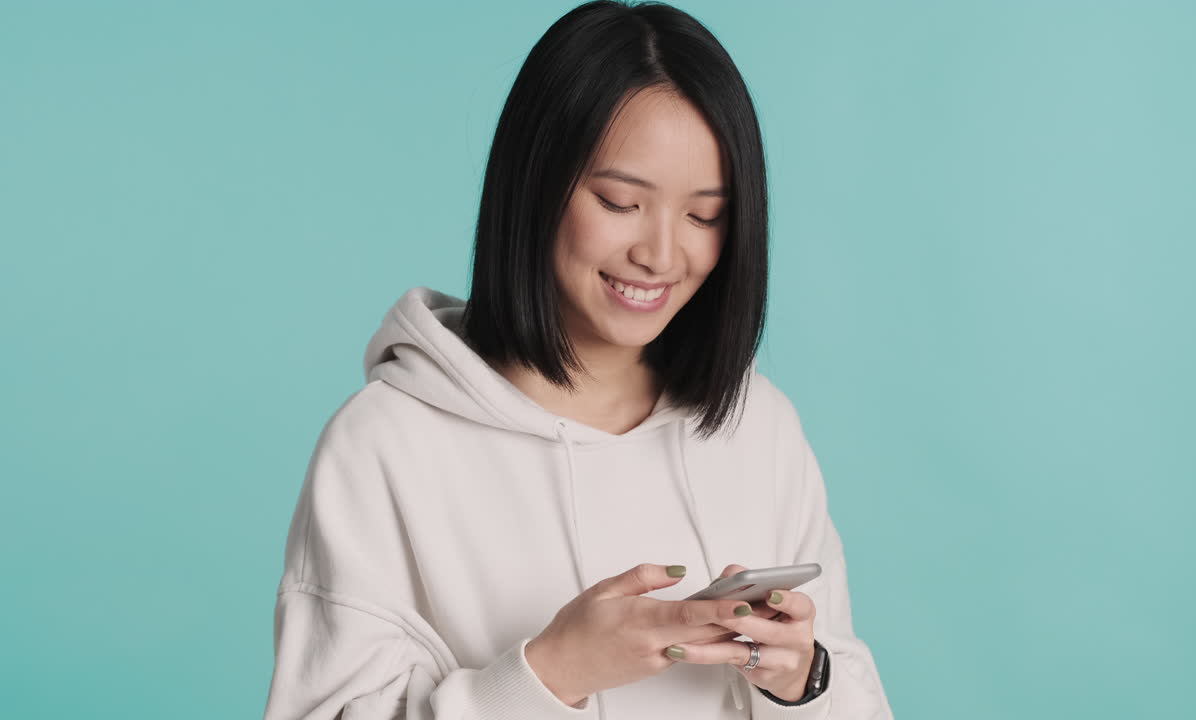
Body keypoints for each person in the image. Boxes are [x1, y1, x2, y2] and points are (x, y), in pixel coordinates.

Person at [261, 1, 894, 718]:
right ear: (535, 186)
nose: (659, 254)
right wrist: (550, 673)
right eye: (620, 201)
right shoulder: (385, 446)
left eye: (704, 216)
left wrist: (800, 684)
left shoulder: (758, 429)